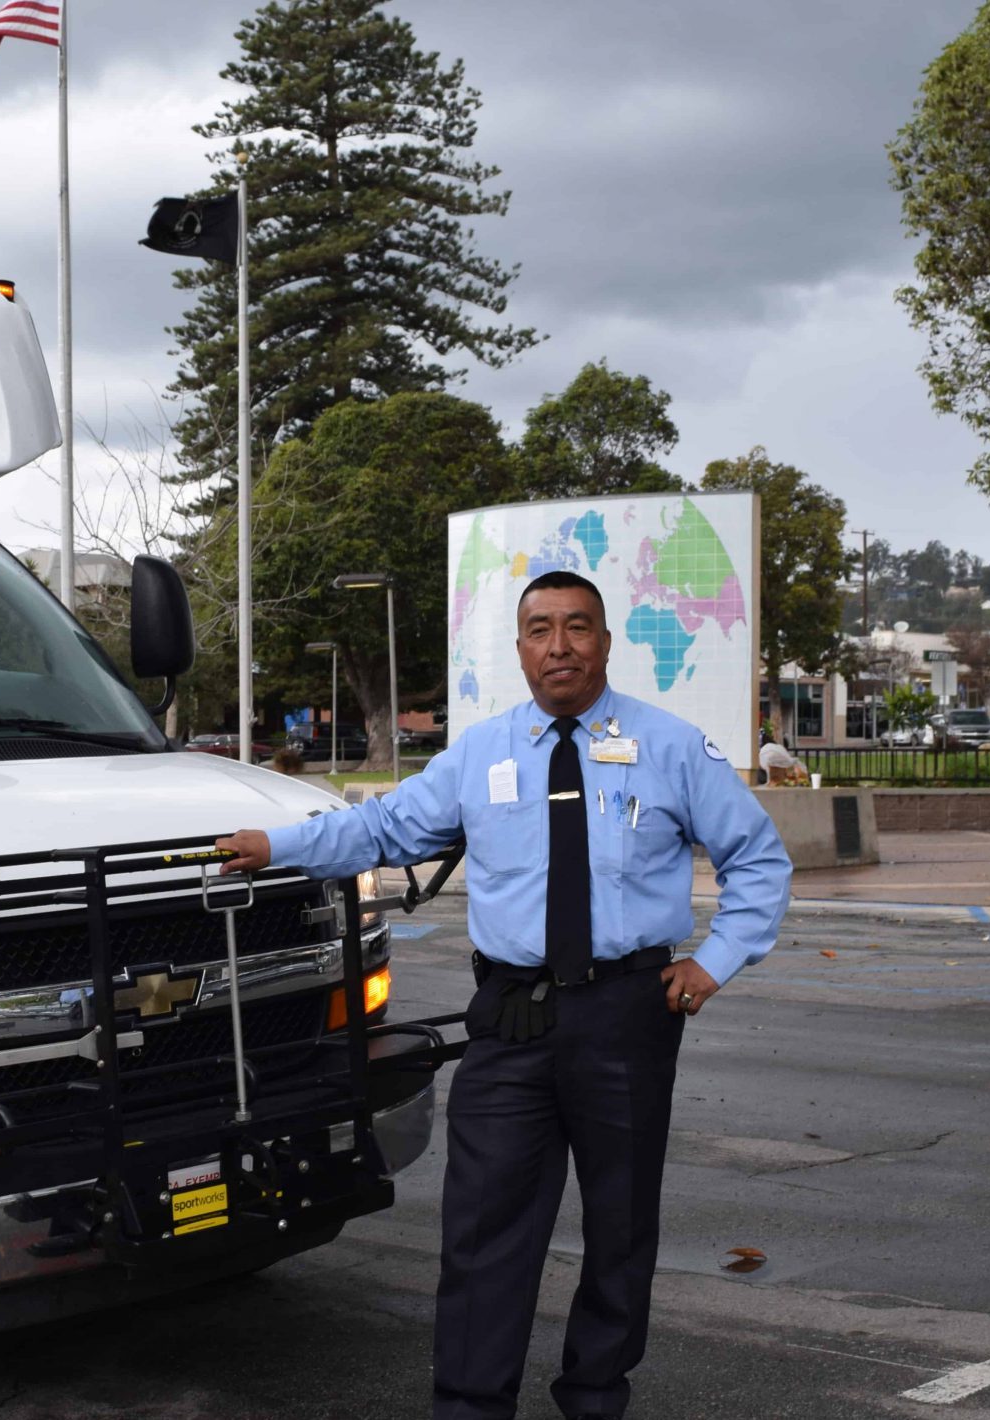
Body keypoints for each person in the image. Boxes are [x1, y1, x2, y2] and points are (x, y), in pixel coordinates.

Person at [216, 570, 791, 1420]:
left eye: (578, 627)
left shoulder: (670, 747)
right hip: (510, 1019)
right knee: (484, 1229)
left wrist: (713, 961)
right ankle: (471, 1405)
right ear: (520, 647)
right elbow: (380, 828)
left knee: (621, 1225)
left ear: (606, 640)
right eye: (539, 629)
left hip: (627, 1015)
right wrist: (278, 843)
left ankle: (596, 1394)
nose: (559, 645)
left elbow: (759, 860)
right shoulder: (480, 754)